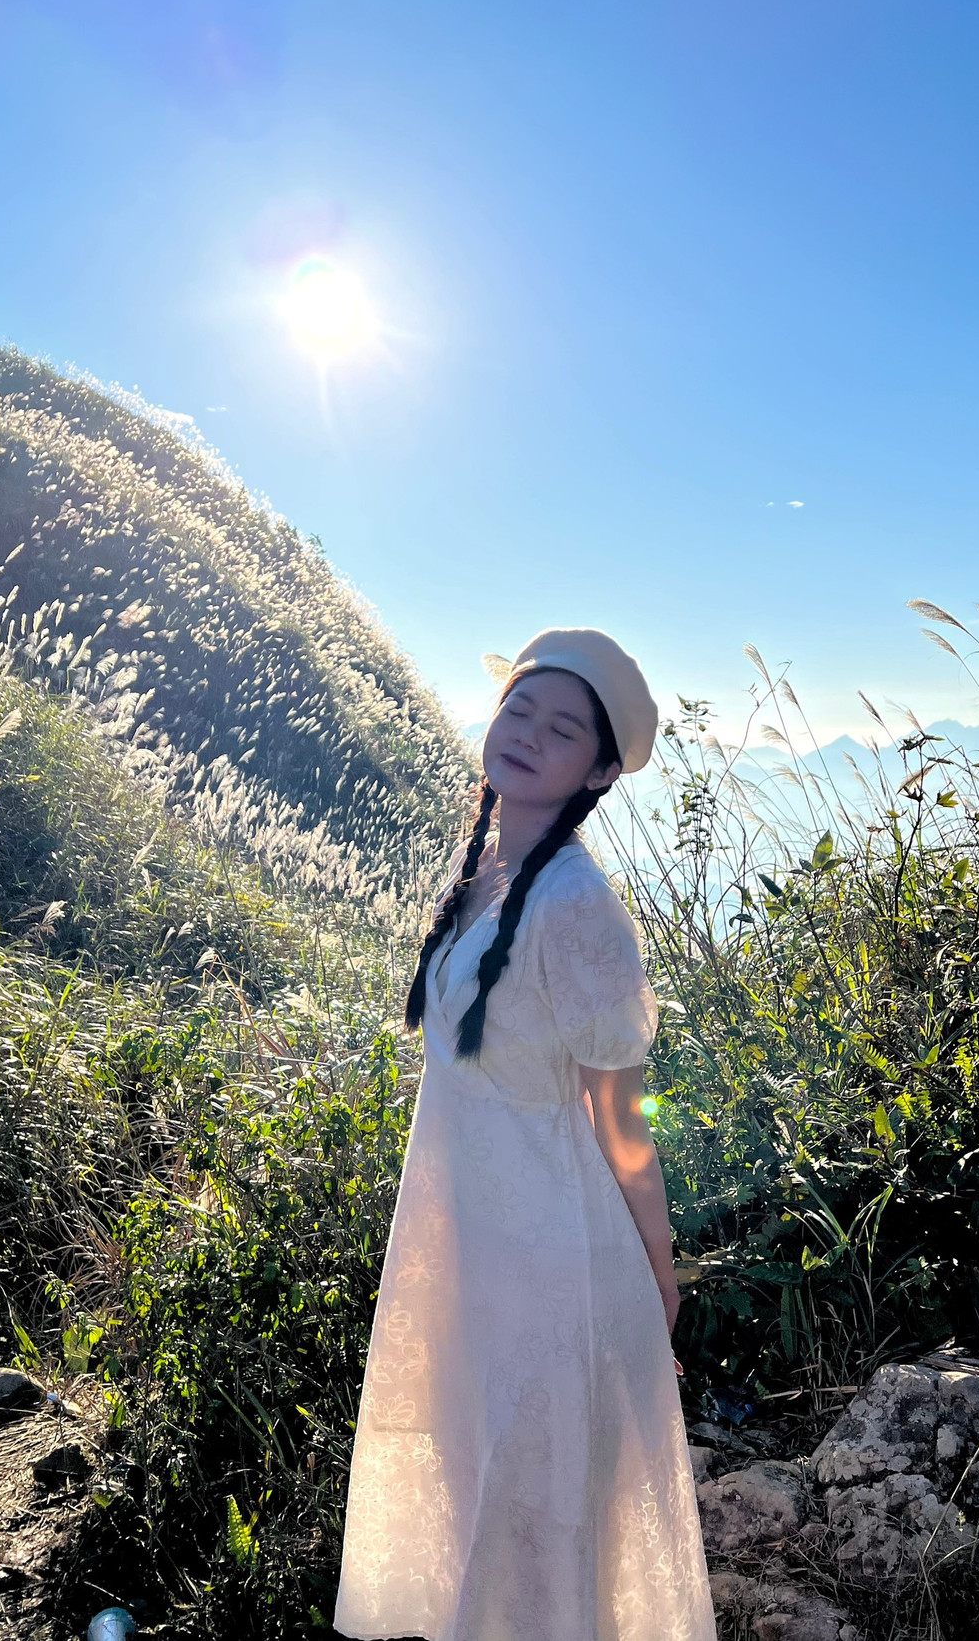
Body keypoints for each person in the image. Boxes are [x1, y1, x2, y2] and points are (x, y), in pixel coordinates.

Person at [333, 629, 715, 1641]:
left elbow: (618, 1118)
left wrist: (659, 1276)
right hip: (472, 1242)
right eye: (518, 708)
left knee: (537, 1516)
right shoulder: (486, 871)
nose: (528, 734)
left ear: (598, 770)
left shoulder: (576, 905)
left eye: (562, 728)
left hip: (550, 1257)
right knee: (476, 1489)